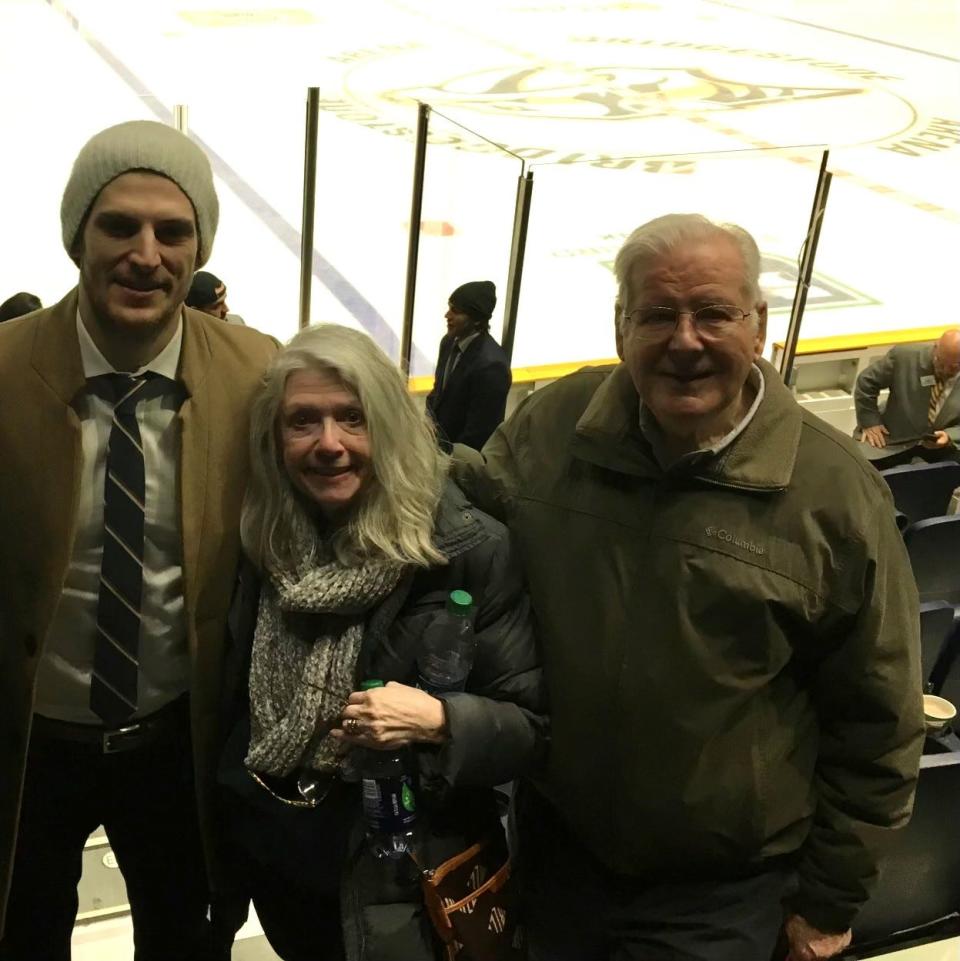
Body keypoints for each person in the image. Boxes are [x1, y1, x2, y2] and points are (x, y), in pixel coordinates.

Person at [453, 214, 924, 961]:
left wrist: (831, 898)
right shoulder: (553, 427)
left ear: (758, 325)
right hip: (559, 857)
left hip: (723, 894)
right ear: (619, 327)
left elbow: (880, 719)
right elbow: (453, 509)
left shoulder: (835, 494)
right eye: (657, 315)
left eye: (712, 312)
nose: (685, 340)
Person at [0, 119, 277, 960]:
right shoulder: (3, 370)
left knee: (188, 941)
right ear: (78, 235)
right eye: (119, 225)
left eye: (173, 230)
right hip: (32, 748)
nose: (146, 254)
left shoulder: (257, 372)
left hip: (174, 742)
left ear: (199, 247)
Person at [217, 324, 546, 961]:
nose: (329, 444)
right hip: (285, 863)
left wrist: (442, 720)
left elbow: (531, 728)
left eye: (353, 418)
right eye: (303, 422)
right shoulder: (263, 540)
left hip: (400, 881)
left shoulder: (466, 550)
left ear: (390, 426)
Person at [425, 280, 511, 451]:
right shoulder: (448, 342)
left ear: (477, 320)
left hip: (460, 463)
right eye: (449, 307)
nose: (447, 315)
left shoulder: (492, 366)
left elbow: (479, 432)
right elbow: (438, 393)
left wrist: (449, 459)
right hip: (436, 449)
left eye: (455, 311)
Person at [854, 329, 960, 466]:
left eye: (954, 367)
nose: (945, 370)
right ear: (935, 347)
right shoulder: (904, 356)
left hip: (941, 448)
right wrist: (870, 421)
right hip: (892, 440)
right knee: (859, 470)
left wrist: (950, 436)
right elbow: (866, 382)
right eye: (940, 362)